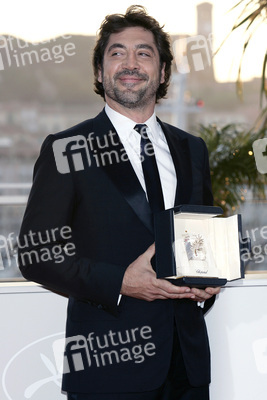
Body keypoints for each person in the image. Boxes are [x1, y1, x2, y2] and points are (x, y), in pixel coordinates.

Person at [18, 5, 220, 400]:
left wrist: (207, 282)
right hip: (106, 368)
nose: (130, 63)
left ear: (162, 73)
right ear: (99, 72)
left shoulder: (192, 148)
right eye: (117, 53)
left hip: (187, 369)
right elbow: (35, 254)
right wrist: (121, 283)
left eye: (144, 53)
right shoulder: (65, 149)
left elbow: (200, 237)